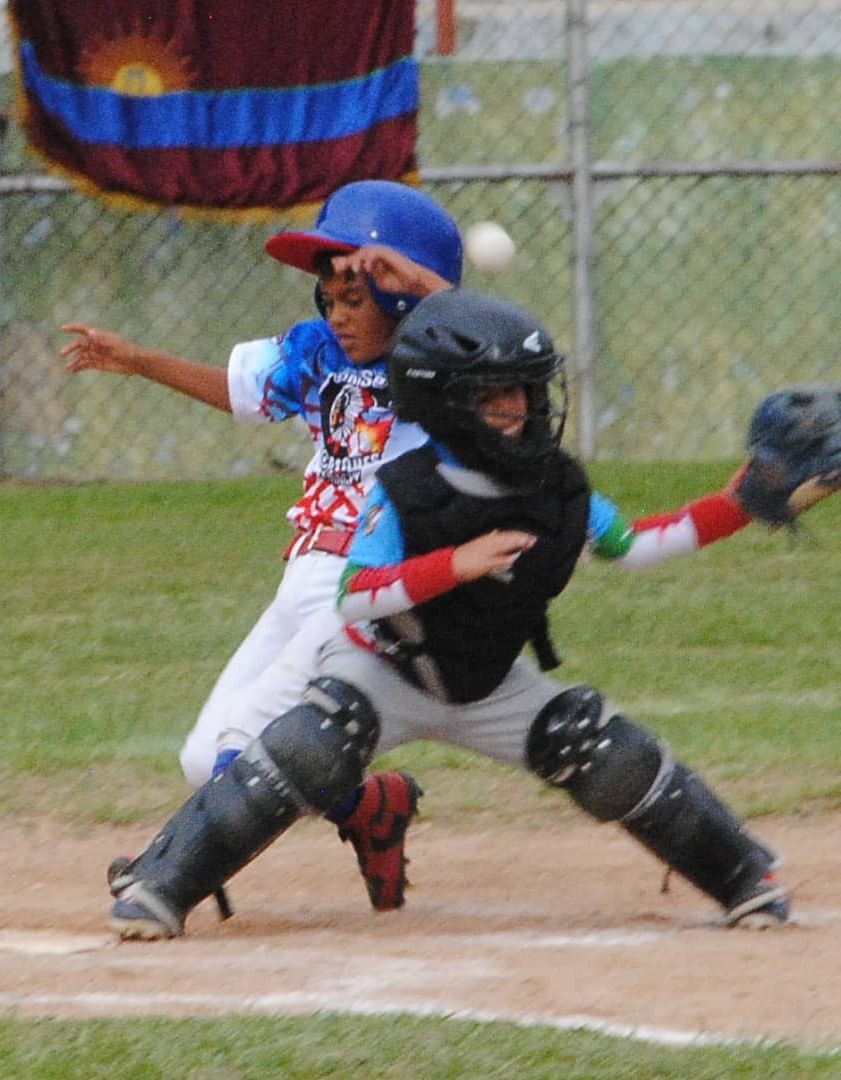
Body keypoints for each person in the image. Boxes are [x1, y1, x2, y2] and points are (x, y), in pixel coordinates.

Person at [105, 288, 794, 941]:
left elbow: (635, 544)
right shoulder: (407, 489)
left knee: (599, 743)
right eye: (495, 394)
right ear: (447, 405)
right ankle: (162, 885)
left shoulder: (552, 485)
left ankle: (741, 875)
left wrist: (739, 504)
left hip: (487, 679)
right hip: (382, 667)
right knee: (315, 742)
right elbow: (356, 593)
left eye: (523, 390)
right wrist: (453, 565)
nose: (518, 407)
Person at [60, 180, 463, 914]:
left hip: (368, 580)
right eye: (331, 297)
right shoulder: (319, 353)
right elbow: (246, 393)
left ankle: (176, 863)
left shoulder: (438, 367)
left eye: (359, 297)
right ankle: (370, 808)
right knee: (200, 756)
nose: (339, 315)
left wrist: (420, 288)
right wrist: (139, 359)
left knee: (246, 740)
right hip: (304, 574)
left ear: (404, 296)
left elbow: (473, 335)